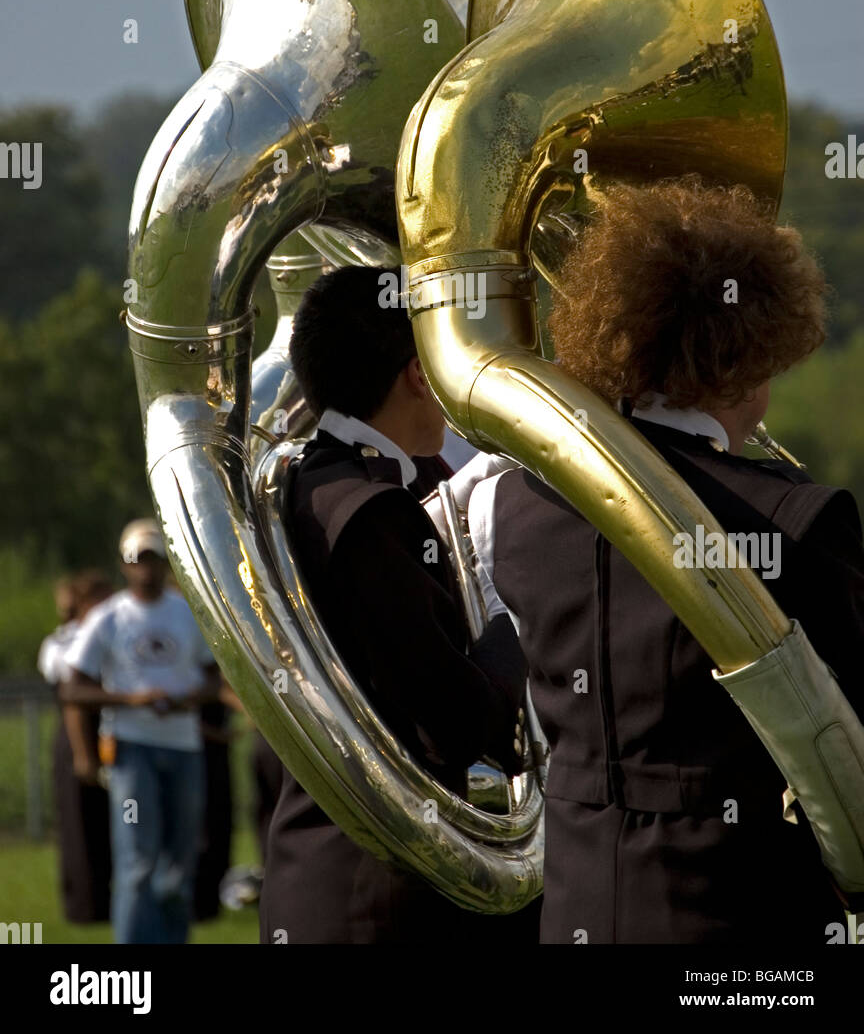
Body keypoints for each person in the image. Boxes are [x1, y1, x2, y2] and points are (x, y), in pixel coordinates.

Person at [468, 175, 864, 944]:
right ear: (752, 353)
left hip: (578, 912)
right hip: (741, 926)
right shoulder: (802, 518)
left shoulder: (514, 507)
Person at [259, 265, 532, 944]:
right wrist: (520, 632)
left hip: (336, 876)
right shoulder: (369, 512)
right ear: (420, 372)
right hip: (377, 895)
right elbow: (452, 719)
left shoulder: (324, 482)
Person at [62, 518, 220, 944]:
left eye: (152, 557)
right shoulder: (108, 617)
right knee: (138, 860)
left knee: (179, 863)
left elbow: (213, 677)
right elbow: (73, 686)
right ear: (123, 563)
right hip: (133, 751)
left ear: (164, 561)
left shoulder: (187, 613)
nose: (144, 566)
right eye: (136, 558)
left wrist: (190, 697)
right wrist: (131, 700)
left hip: (185, 748)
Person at [38, 570, 113, 923]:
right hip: (74, 738)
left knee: (111, 822)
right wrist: (84, 755)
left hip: (110, 733)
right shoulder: (61, 643)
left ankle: (110, 900)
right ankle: (84, 907)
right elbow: (70, 692)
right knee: (79, 824)